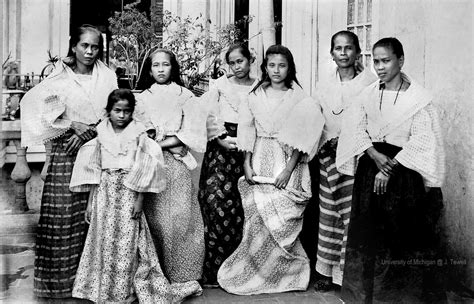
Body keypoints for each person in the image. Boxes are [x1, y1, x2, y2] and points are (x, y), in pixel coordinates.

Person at [336, 37, 446, 303]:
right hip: (370, 170)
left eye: (386, 61)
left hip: (402, 175)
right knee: (369, 233)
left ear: (400, 61)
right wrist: (373, 155)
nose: (380, 67)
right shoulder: (368, 94)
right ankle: (366, 296)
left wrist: (388, 169)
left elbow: (421, 139)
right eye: (376, 61)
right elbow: (355, 128)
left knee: (399, 235)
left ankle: (397, 297)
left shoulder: (418, 99)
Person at [217, 45, 324, 295]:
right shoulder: (254, 95)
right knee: (258, 217)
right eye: (272, 65)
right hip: (260, 155)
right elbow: (246, 129)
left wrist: (288, 169)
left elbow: (301, 136)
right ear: (265, 67)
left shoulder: (299, 97)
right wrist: (246, 163)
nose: (276, 70)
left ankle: (287, 273)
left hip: (288, 161)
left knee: (283, 218)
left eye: (282, 65)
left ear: (290, 68)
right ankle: (257, 271)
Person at [20, 24, 118, 298]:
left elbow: (114, 114)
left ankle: (89, 286)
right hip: (66, 152)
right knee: (62, 215)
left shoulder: (107, 77)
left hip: (98, 150)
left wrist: (87, 132)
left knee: (93, 217)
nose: (89, 51)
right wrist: (71, 125)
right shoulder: (59, 76)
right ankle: (59, 286)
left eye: (95, 46)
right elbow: (34, 106)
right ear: (74, 46)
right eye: (84, 45)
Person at [69, 89, 171, 303]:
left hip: (128, 191)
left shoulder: (139, 135)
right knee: (103, 240)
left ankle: (124, 291)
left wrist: (140, 200)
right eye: (117, 111)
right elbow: (95, 169)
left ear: (132, 112)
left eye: (127, 111)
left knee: (126, 240)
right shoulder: (101, 134)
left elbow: (144, 168)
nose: (122, 115)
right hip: (105, 191)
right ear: (109, 111)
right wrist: (90, 202)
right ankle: (102, 289)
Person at [135, 49, 207, 301]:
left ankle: (183, 273)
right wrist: (163, 142)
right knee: (154, 218)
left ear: (173, 67)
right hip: (149, 164)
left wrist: (167, 143)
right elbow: (139, 131)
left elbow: (194, 132)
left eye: (166, 64)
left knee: (180, 217)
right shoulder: (142, 98)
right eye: (156, 65)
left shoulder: (186, 96)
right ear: (150, 69)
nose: (161, 69)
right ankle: (156, 273)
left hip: (176, 165)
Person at [312, 30, 377, 291]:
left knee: (351, 215)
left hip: (356, 157)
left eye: (349, 48)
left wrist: (348, 141)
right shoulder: (323, 85)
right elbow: (318, 118)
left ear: (358, 52)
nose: (343, 53)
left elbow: (373, 120)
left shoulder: (369, 83)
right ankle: (326, 272)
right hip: (328, 157)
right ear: (331, 54)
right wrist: (326, 143)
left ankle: (346, 274)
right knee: (328, 215)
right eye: (338, 48)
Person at [197, 43, 258, 286]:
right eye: (232, 63)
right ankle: (214, 270)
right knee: (217, 201)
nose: (237, 67)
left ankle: (240, 270)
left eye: (240, 61)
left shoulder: (258, 87)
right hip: (222, 148)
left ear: (250, 60)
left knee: (244, 207)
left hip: (250, 146)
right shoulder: (220, 86)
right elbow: (206, 114)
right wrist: (220, 138)